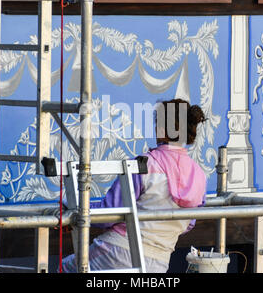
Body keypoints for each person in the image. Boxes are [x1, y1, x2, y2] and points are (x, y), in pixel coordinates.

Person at [62, 98, 207, 273]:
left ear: (161, 129)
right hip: (160, 261)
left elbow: (109, 213)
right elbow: (189, 223)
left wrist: (72, 209)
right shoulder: (199, 174)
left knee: (64, 268)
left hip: (117, 250)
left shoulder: (144, 164)